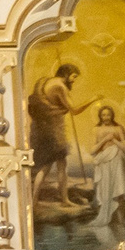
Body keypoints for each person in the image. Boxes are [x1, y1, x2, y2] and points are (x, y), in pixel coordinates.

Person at [32, 62, 95, 207]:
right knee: (51, 166)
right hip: (54, 130)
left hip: (45, 127)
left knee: (53, 165)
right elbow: (75, 110)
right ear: (66, 74)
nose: (74, 80)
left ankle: (41, 199)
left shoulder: (46, 82)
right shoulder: (60, 86)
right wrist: (93, 99)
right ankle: (60, 200)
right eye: (73, 76)